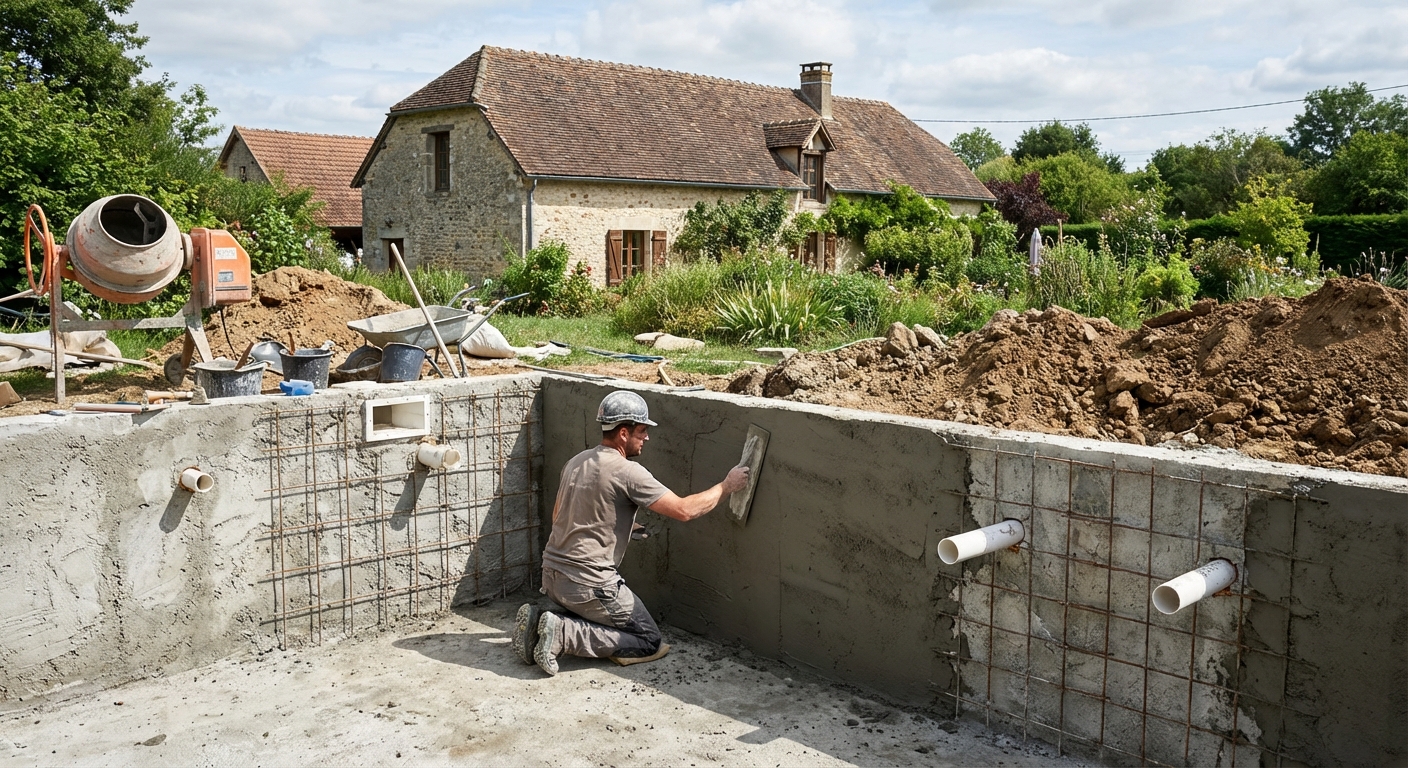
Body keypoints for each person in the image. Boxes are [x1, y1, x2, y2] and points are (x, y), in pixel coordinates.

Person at [512, 390, 750, 676]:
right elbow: (685, 510)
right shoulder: (628, 472)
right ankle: (564, 633)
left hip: (552, 578)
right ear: (623, 433)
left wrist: (622, 527)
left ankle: (541, 621)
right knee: (647, 640)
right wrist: (727, 485)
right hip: (589, 586)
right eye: (642, 431)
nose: (646, 437)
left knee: (601, 618)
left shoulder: (575, 461)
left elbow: (560, 517)